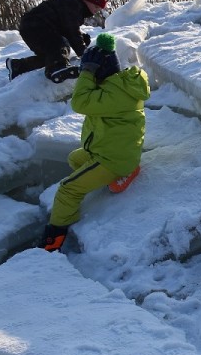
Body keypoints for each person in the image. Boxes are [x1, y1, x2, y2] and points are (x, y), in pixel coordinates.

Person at [41, 32, 151, 252]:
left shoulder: (112, 95)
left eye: (89, 71)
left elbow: (80, 102)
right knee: (75, 158)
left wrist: (87, 73)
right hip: (111, 151)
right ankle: (120, 172)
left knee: (67, 189)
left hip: (113, 158)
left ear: (97, 71)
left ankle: (55, 237)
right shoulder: (119, 84)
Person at [6, 0, 111, 83]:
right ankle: (56, 69)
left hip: (33, 26)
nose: (96, 10)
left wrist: (82, 40)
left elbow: (66, 28)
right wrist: (85, 55)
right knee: (59, 46)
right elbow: (71, 30)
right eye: (95, 6)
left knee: (52, 55)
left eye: (98, 9)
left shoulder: (74, 6)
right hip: (36, 24)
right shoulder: (71, 4)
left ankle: (18, 67)